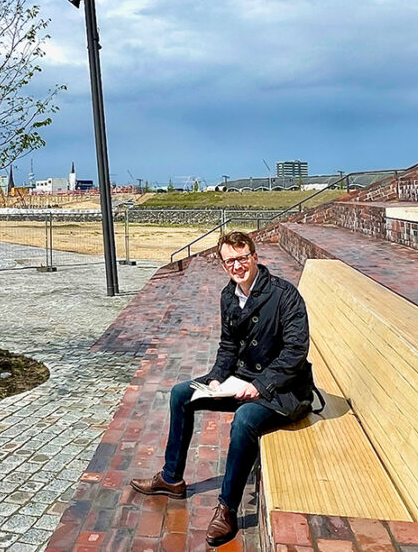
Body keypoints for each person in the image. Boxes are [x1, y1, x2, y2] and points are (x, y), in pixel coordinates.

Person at [130, 230, 316, 547]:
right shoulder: (228, 296)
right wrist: (216, 379)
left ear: (255, 257)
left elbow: (296, 352)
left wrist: (260, 385)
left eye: (242, 258)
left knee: (244, 419)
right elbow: (228, 347)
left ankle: (227, 508)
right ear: (223, 263)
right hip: (240, 381)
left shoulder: (285, 296)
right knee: (181, 394)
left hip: (283, 391)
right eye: (230, 260)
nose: (237, 266)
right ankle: (172, 478)